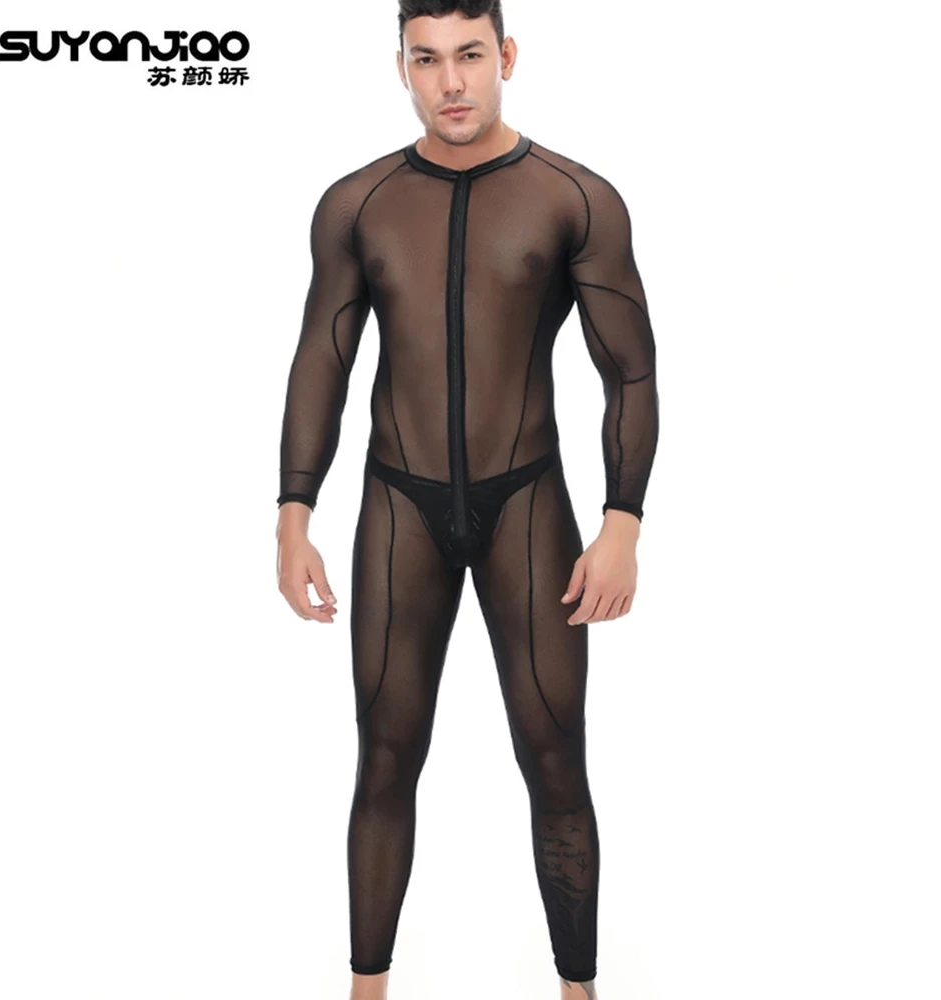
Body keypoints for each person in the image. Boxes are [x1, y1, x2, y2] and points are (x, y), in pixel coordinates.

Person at [275, 2, 659, 997]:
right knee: (385, 757)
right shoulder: (356, 204)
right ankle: (366, 991)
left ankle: (578, 990)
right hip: (397, 506)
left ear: (507, 57)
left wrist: (622, 521)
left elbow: (630, 370)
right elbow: (322, 356)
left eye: (470, 56)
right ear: (400, 66)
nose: (450, 82)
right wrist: (292, 512)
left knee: (554, 758)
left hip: (526, 504)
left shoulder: (574, 197)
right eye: (427, 59)